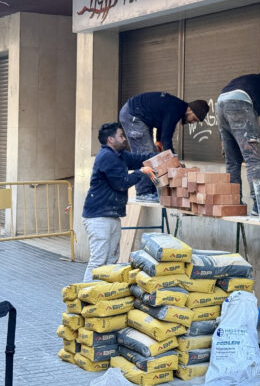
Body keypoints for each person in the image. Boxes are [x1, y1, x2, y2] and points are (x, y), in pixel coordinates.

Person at [81, 122, 158, 281]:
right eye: (121, 136)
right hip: (98, 217)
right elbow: (121, 183)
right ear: (111, 139)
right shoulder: (106, 157)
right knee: (98, 260)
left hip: (111, 216)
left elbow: (139, 159)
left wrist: (161, 156)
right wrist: (141, 172)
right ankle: (85, 293)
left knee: (111, 260)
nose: (124, 139)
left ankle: (103, 292)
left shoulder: (120, 155)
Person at [216, 65, 260, 215]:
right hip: (239, 104)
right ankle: (259, 205)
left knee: (232, 161)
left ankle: (234, 202)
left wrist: (222, 140)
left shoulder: (249, 80)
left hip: (220, 103)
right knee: (253, 158)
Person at [119, 92, 210, 202]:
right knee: (146, 154)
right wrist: (173, 160)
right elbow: (166, 138)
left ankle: (150, 191)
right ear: (190, 110)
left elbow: (162, 126)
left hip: (139, 115)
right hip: (133, 114)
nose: (192, 122)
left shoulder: (177, 108)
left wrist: (158, 142)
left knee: (152, 154)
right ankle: (143, 192)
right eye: (194, 119)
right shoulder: (176, 109)